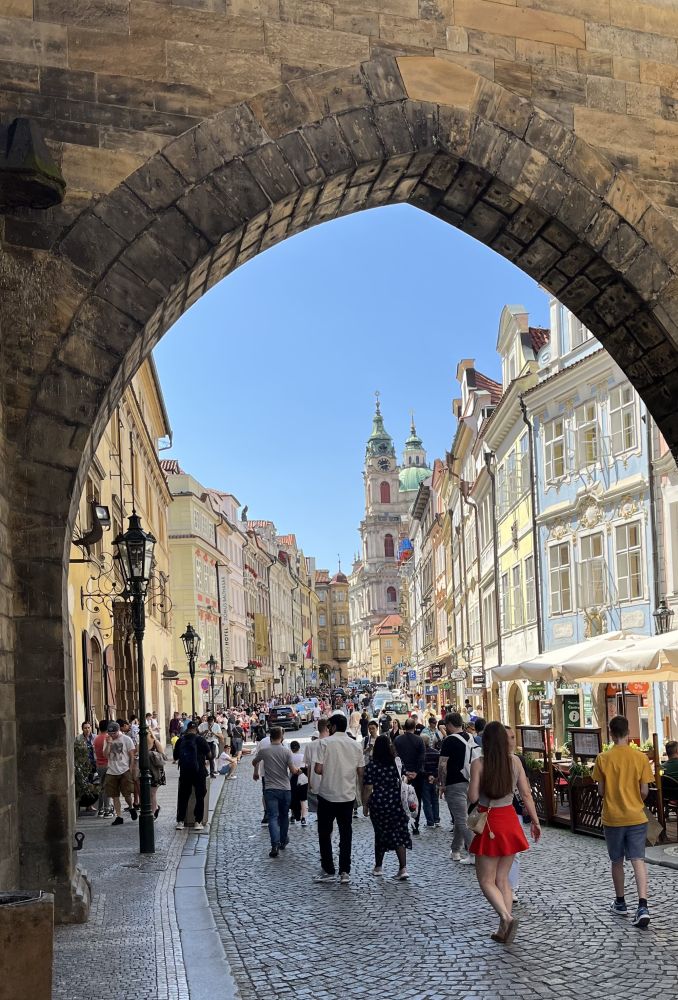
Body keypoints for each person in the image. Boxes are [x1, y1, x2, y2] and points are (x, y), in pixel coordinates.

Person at [468, 721, 540, 944]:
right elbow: (526, 794)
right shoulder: (515, 761)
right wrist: (535, 821)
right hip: (509, 819)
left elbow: (472, 797)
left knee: (486, 880)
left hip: (489, 822)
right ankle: (503, 929)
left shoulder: (479, 764)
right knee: (503, 879)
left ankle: (506, 917)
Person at [592, 715, 653, 928]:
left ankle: (620, 902)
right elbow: (645, 791)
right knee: (638, 860)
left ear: (611, 733)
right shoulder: (640, 758)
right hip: (636, 816)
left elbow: (601, 791)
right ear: (628, 732)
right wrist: (635, 799)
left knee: (617, 860)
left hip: (613, 817)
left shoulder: (603, 758)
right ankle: (643, 906)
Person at [314, 713, 365, 884]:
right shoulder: (355, 745)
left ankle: (328, 869)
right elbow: (361, 772)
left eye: (329, 726)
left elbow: (318, 769)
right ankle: (345, 871)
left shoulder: (324, 743)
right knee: (346, 833)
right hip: (347, 795)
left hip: (327, 794)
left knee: (324, 833)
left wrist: (330, 769)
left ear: (334, 727)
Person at [362, 735, 412, 880]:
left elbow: (368, 787)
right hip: (396, 801)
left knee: (380, 833)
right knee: (399, 833)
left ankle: (378, 866)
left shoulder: (372, 765)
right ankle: (403, 868)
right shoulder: (396, 762)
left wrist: (365, 805)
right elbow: (404, 778)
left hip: (379, 802)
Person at [438, 712, 479, 864]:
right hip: (470, 781)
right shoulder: (470, 737)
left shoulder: (449, 741)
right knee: (460, 817)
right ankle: (455, 850)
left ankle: (474, 853)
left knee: (462, 820)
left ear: (449, 725)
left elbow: (442, 764)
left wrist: (442, 784)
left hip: (454, 783)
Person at [253, 726, 299, 857]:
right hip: (285, 788)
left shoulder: (264, 751)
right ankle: (283, 841)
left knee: (273, 817)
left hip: (270, 788)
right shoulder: (286, 751)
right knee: (284, 816)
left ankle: (274, 844)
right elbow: (293, 770)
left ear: (270, 737)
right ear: (281, 737)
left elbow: (254, 761)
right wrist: (299, 771)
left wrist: (256, 772)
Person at [173, 722, 211, 831]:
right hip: (199, 772)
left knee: (183, 796)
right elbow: (210, 755)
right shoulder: (201, 740)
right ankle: (198, 822)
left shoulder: (180, 740)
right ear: (196, 729)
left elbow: (175, 757)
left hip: (185, 772)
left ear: (187, 728)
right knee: (200, 796)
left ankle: (180, 821)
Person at [103, 721, 138, 826]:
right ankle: (119, 816)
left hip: (124, 770)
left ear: (118, 730)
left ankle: (131, 807)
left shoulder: (126, 739)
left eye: (114, 733)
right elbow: (105, 755)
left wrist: (131, 768)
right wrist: (109, 743)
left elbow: (131, 755)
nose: (112, 735)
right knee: (114, 796)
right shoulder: (107, 739)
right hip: (111, 771)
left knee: (127, 794)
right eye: (110, 733)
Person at [395, 718, 425, 834]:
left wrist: (405, 772)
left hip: (402, 774)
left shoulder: (398, 740)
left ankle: (403, 824)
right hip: (416, 775)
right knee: (416, 799)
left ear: (404, 727)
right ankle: (415, 825)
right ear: (414, 727)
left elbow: (396, 757)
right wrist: (415, 772)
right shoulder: (419, 740)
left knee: (401, 799)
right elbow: (422, 758)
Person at [304, 718, 329, 813]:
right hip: (330, 783)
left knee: (320, 810)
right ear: (327, 728)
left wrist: (309, 783)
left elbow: (309, 767)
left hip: (315, 781)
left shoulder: (309, 746)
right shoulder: (332, 743)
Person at [93, 719, 113, 817]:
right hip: (107, 764)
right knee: (107, 787)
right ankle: (107, 810)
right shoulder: (108, 738)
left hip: (99, 765)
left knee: (101, 787)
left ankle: (100, 809)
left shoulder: (96, 738)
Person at [420, 730, 441, 828]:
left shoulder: (421, 754)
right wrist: (434, 776)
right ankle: (436, 820)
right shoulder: (436, 752)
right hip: (435, 779)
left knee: (426, 801)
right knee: (435, 800)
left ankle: (430, 822)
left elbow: (421, 768)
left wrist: (428, 775)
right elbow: (439, 767)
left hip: (425, 779)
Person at [147, 727, 166, 819]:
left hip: (156, 772)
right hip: (145, 772)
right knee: (149, 793)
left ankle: (154, 811)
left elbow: (163, 757)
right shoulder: (141, 744)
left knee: (152, 793)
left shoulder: (155, 742)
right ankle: (155, 807)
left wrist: (154, 755)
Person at [289, 739, 309, 826]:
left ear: (291, 748)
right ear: (299, 748)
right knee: (303, 799)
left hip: (292, 779)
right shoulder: (303, 757)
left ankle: (293, 816)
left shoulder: (290, 757)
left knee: (293, 798)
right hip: (303, 780)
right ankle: (303, 818)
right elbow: (307, 767)